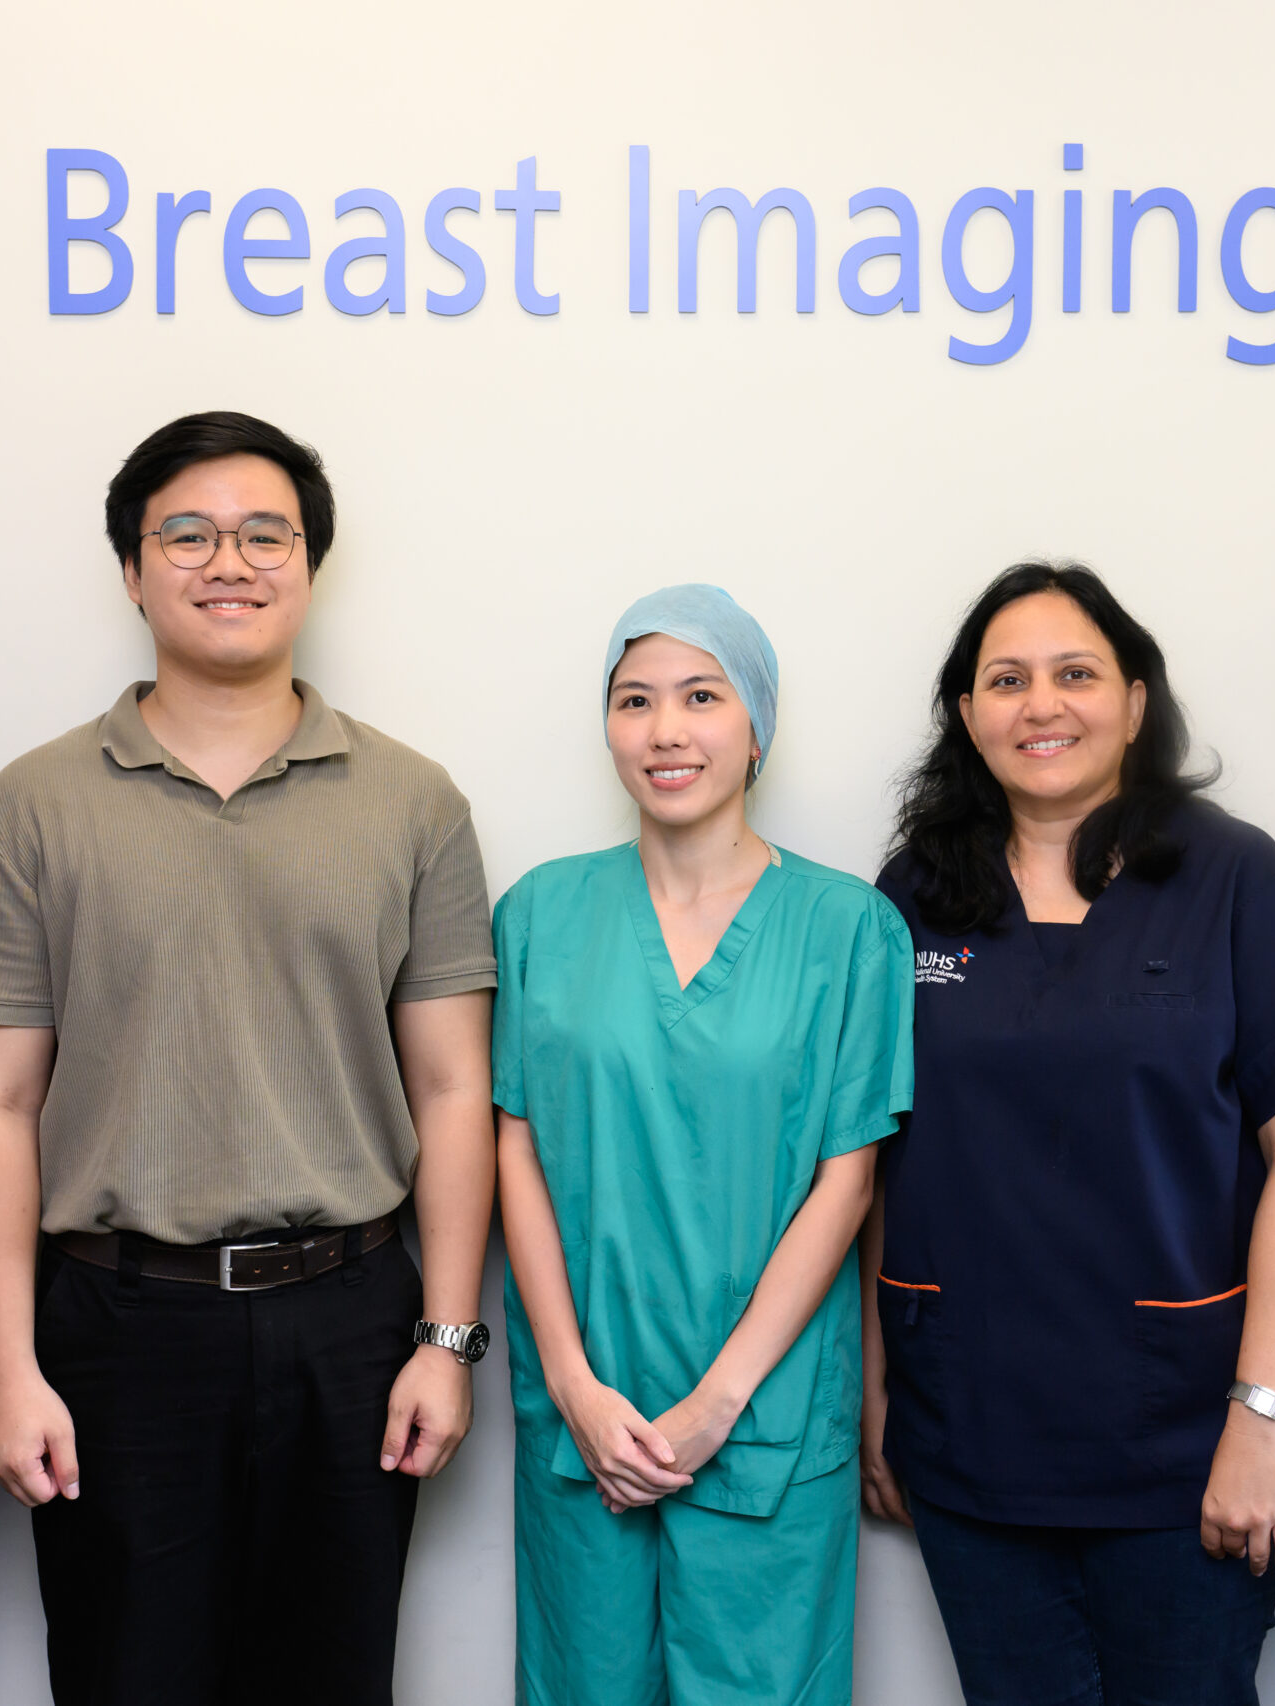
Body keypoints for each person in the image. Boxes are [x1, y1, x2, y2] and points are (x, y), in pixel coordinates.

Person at [0, 411, 499, 1706]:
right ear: (132, 571)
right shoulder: (33, 806)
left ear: (310, 564)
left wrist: (449, 1338)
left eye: (265, 534)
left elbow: (454, 1086)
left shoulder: (412, 801)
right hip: (116, 1325)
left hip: (353, 1318)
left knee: (335, 1678)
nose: (228, 560)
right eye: (186, 533)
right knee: (126, 1675)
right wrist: (9, 1365)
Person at [861, 562, 1275, 1706]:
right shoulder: (914, 895)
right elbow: (884, 1153)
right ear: (965, 712)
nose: (1040, 704)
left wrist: (1262, 1414)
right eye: (1005, 679)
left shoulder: (1234, 876)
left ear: (1136, 702)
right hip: (968, 1430)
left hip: (1188, 1437)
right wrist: (876, 1382)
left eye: (1074, 673)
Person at [493, 585, 914, 1706]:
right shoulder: (538, 913)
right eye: (635, 700)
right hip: (586, 1412)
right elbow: (515, 1154)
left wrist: (719, 1401)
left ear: (755, 725)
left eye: (700, 695)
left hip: (765, 1414)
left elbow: (847, 1178)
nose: (666, 729)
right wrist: (575, 1383)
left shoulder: (848, 927)